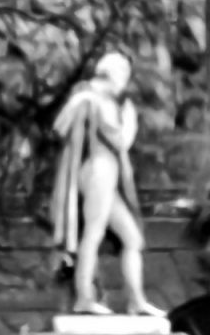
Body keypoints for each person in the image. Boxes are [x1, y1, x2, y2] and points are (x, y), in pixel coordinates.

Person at [49, 51, 163, 318]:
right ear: (114, 74)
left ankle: (136, 300)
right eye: (123, 75)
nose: (125, 82)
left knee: (132, 238)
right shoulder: (92, 98)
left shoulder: (106, 101)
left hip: (108, 172)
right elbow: (119, 139)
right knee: (94, 232)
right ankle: (84, 297)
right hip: (97, 170)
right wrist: (129, 119)